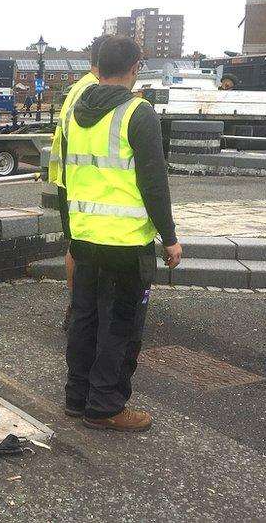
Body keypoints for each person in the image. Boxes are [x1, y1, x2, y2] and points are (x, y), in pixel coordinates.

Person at [59, 36, 182, 432]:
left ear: (96, 66)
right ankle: (106, 406)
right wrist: (169, 237)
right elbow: (154, 183)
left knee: (85, 321)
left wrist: (71, 233)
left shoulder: (76, 111)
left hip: (85, 238)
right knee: (120, 327)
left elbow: (66, 176)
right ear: (134, 68)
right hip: (126, 243)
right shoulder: (137, 113)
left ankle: (77, 398)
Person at [51, 34, 111, 330]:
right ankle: (77, 309)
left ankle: (78, 306)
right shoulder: (92, 90)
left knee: (77, 245)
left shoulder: (81, 86)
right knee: (78, 247)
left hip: (70, 180)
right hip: (78, 183)